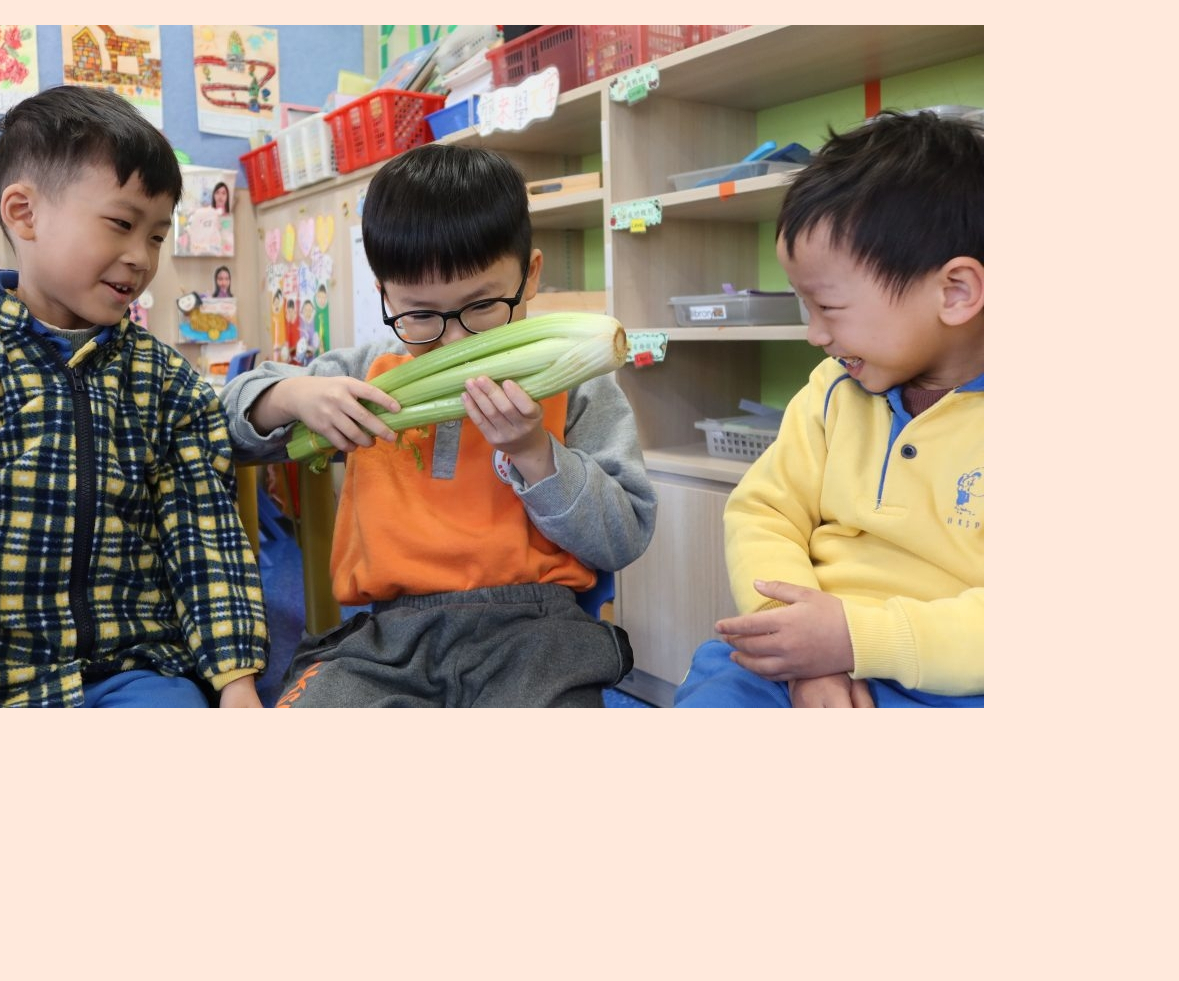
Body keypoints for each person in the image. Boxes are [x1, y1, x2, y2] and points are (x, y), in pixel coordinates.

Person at [223, 144, 655, 707]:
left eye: (481, 307)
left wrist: (535, 454)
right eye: (421, 315)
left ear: (530, 276)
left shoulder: (575, 385)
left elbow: (623, 536)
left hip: (535, 635)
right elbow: (221, 427)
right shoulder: (368, 373)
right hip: (387, 640)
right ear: (385, 295)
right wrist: (290, 396)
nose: (453, 341)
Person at [0, 85, 267, 707]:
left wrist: (237, 684)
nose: (140, 258)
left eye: (156, 236)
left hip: (134, 667)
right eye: (122, 224)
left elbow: (205, 541)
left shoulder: (170, 383)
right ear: (24, 213)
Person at [675, 110, 984, 708]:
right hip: (805, 650)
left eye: (829, 308)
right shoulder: (830, 390)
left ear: (955, 292)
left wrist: (854, 642)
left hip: (948, 678)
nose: (815, 335)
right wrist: (797, 649)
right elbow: (764, 512)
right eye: (804, 307)